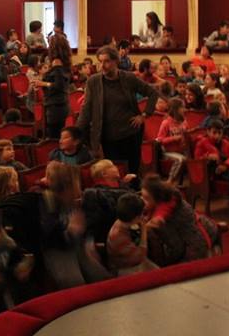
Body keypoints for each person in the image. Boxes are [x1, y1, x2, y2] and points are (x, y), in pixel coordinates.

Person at [77, 45, 158, 174]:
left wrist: (144, 115)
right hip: (108, 138)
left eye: (107, 61)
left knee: (133, 172)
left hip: (131, 134)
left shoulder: (128, 78)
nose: (102, 65)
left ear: (116, 61)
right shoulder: (94, 82)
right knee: (114, 173)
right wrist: (77, 133)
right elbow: (86, 110)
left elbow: (152, 93)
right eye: (100, 61)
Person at [140, 176, 214, 266]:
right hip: (184, 239)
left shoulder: (166, 206)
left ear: (157, 198)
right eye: (142, 196)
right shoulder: (154, 205)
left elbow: (160, 216)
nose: (142, 200)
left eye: (146, 198)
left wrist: (147, 225)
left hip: (195, 239)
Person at [107, 192, 155, 275]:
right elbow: (141, 256)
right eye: (142, 214)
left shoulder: (122, 221)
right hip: (126, 267)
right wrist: (144, 229)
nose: (143, 216)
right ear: (136, 217)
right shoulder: (119, 236)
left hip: (131, 257)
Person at [36, 35, 72, 139]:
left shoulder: (57, 63)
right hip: (61, 104)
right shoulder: (64, 62)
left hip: (55, 106)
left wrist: (42, 83)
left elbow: (59, 85)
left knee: (54, 138)